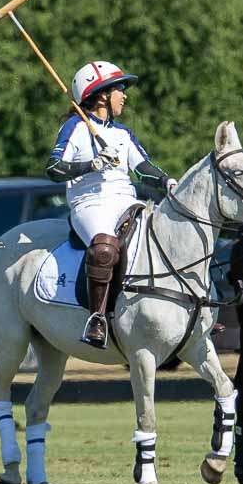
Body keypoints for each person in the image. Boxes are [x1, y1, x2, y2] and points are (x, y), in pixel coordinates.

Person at [46, 61, 176, 349]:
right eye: (120, 89)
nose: (124, 96)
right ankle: (97, 318)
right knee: (105, 247)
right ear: (102, 94)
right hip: (89, 203)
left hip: (125, 200)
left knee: (163, 235)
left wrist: (167, 181)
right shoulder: (75, 127)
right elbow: (54, 168)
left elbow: (142, 168)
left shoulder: (122, 133)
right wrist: (90, 164)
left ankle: (185, 308)